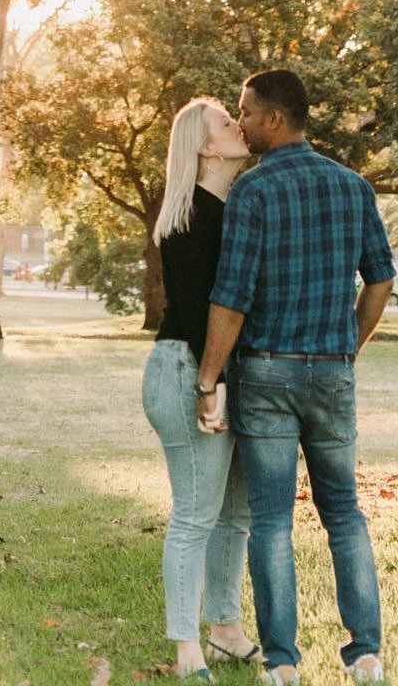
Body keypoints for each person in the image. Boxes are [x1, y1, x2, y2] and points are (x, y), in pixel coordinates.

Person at [196, 70, 394, 686]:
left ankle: (281, 663)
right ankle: (365, 654)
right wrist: (347, 347)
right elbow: (381, 278)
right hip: (331, 373)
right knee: (345, 514)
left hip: (267, 374)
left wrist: (207, 378)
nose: (244, 123)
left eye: (247, 113)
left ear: (275, 119)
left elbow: (231, 298)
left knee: (273, 521)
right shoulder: (352, 185)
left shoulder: (254, 192)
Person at [143, 97, 264, 679]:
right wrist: (207, 385)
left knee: (234, 513)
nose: (239, 124)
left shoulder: (229, 207)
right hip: (188, 371)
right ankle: (186, 646)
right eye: (225, 121)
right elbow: (197, 313)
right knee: (196, 514)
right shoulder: (192, 214)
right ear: (205, 146)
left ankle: (226, 630)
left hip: (224, 375)